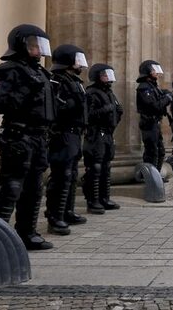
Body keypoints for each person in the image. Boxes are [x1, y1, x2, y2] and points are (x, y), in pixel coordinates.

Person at [0, 24, 56, 250]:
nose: (39, 50)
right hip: (18, 135)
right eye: (34, 45)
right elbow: (0, 103)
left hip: (39, 136)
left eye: (40, 46)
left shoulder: (41, 72)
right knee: (11, 186)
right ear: (21, 44)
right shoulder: (8, 70)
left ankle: (27, 233)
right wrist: (25, 90)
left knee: (34, 187)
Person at [45, 44, 89, 235]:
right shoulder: (57, 80)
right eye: (77, 60)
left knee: (70, 175)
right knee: (61, 175)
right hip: (62, 133)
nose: (81, 64)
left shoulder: (74, 80)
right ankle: (55, 217)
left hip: (74, 132)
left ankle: (67, 211)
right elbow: (57, 107)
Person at [82, 63, 123, 214]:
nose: (108, 78)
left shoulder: (110, 93)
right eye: (105, 75)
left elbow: (115, 111)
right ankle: (93, 201)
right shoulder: (92, 92)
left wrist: (117, 114)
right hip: (95, 133)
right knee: (95, 167)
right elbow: (88, 115)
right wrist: (105, 110)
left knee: (106, 166)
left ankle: (105, 198)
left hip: (107, 133)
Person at [136, 60, 172, 175]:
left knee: (160, 151)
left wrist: (166, 94)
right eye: (153, 70)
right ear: (148, 72)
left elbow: (159, 98)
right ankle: (150, 177)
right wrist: (167, 98)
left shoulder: (152, 86)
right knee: (152, 151)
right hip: (149, 123)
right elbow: (155, 106)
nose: (157, 73)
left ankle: (156, 175)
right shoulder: (144, 87)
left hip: (155, 122)